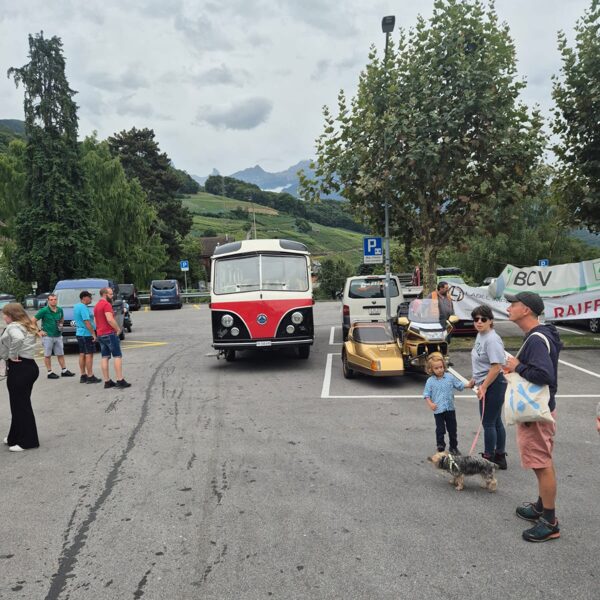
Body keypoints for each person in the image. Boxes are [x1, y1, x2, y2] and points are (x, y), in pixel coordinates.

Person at [505, 291, 562, 543]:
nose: (509, 308)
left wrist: (517, 366)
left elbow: (544, 375)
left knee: (541, 463)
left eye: (513, 304)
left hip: (536, 413)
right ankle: (541, 506)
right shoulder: (539, 335)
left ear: (526, 309)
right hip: (540, 410)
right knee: (541, 460)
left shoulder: (537, 339)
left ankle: (549, 521)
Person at [466, 304, 508, 469]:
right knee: (495, 421)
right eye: (476, 319)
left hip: (494, 384)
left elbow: (496, 367)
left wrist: (483, 387)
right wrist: (475, 378)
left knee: (488, 423)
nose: (479, 322)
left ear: (491, 320)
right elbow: (481, 362)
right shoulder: (481, 335)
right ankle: (500, 456)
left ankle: (489, 458)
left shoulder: (492, 340)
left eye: (483, 319)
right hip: (486, 381)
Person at [1, 303, 40, 452]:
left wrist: (12, 355)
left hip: (20, 368)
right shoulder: (27, 325)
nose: (3, 317)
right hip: (29, 367)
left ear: (11, 315)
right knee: (19, 404)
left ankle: (29, 441)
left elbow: (17, 339)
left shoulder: (13, 327)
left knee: (21, 405)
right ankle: (15, 436)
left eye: (5, 314)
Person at [423, 353, 465, 454]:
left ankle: (453, 447)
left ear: (444, 366)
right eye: (436, 368)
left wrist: (470, 384)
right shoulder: (430, 381)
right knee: (440, 430)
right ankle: (440, 446)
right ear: (431, 369)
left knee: (452, 429)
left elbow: (459, 385)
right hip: (438, 410)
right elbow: (426, 394)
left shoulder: (450, 377)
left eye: (441, 367)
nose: (439, 370)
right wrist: (430, 404)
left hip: (450, 409)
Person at [93, 287, 131, 389]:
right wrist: (118, 329)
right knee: (117, 356)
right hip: (109, 333)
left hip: (100, 334)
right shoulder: (106, 304)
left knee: (105, 357)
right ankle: (120, 380)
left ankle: (107, 381)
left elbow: (95, 321)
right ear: (104, 294)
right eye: (110, 294)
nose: (112, 296)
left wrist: (99, 330)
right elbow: (109, 319)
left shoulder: (96, 306)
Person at [32, 293, 75, 379]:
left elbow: (62, 319)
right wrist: (39, 331)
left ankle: (64, 370)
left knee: (60, 354)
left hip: (58, 335)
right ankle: (49, 372)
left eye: (55, 299)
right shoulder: (44, 310)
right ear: (48, 301)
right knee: (47, 355)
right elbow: (33, 320)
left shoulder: (60, 309)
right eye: (51, 300)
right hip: (48, 336)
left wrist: (61, 324)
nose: (53, 301)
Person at [73, 291, 101, 384]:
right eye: (90, 297)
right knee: (89, 354)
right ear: (84, 297)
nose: (91, 299)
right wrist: (93, 334)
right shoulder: (83, 307)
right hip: (86, 334)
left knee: (82, 354)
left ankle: (83, 375)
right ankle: (90, 376)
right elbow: (87, 321)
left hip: (79, 333)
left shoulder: (76, 306)